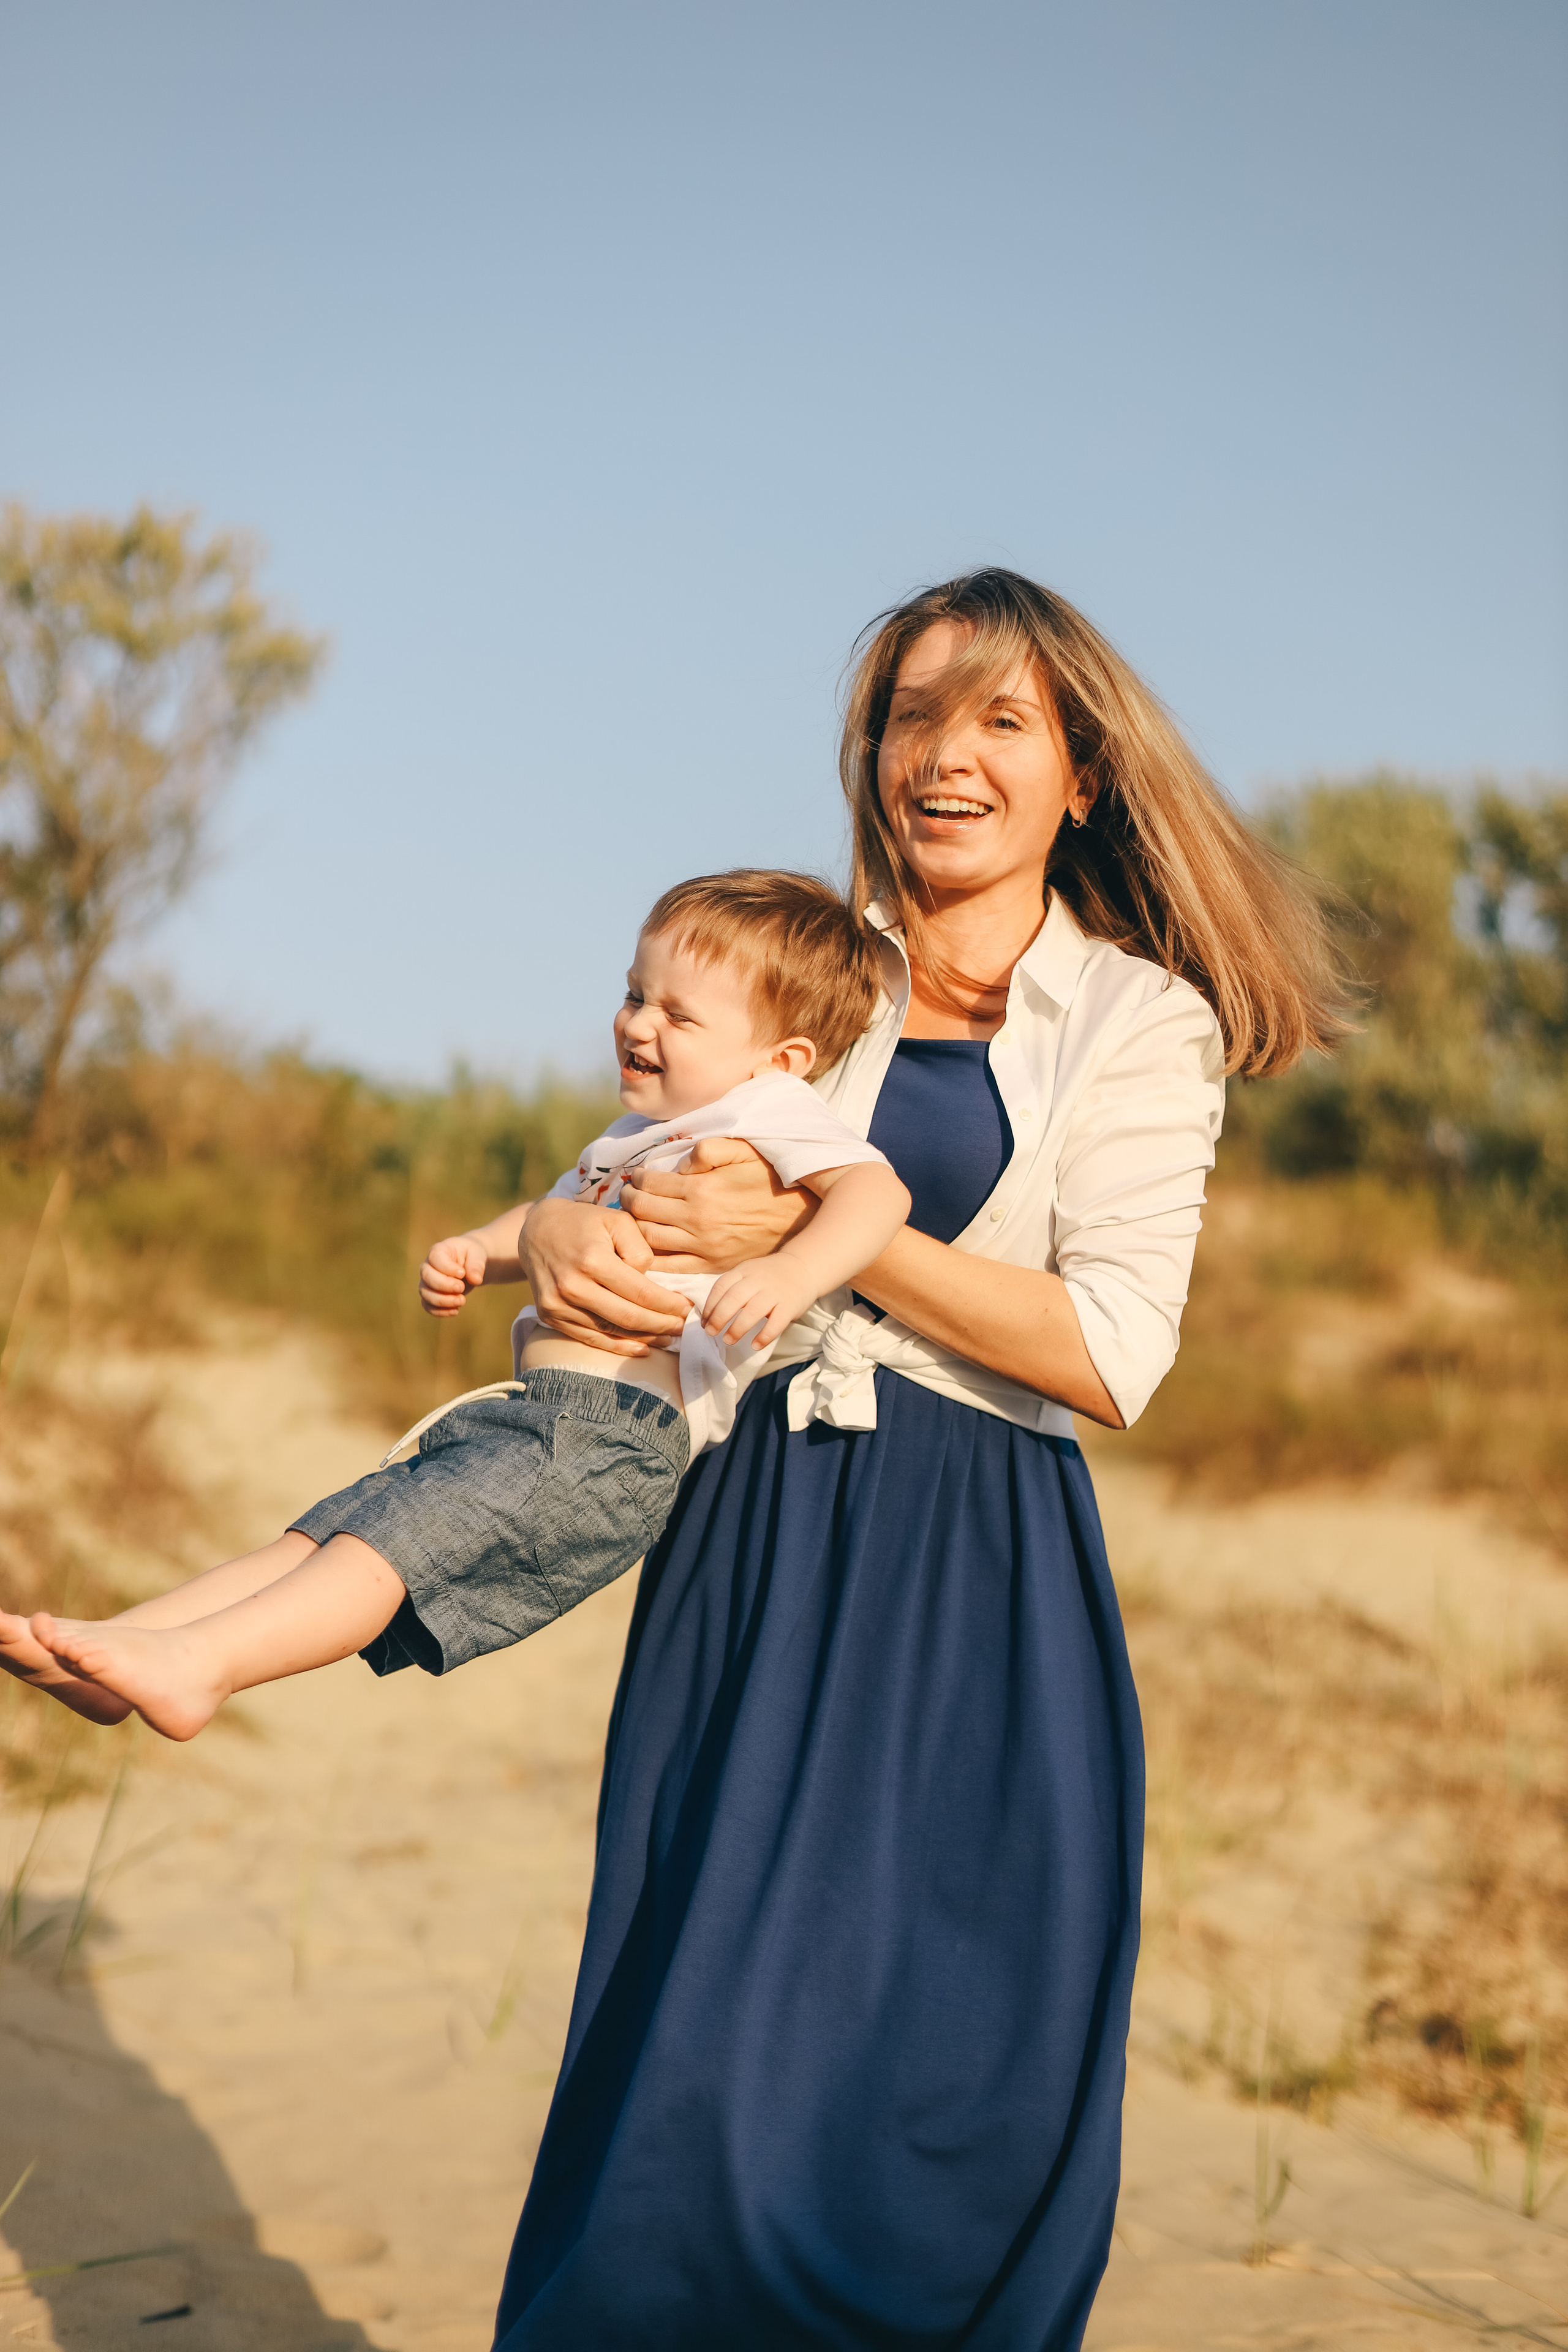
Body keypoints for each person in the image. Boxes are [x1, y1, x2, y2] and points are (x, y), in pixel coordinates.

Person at [480, 569, 1346, 2349]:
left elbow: (1112, 1355)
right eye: (911, 713)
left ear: (1082, 778)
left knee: (946, 2114)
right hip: (753, 1538)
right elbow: (628, 1223)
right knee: (691, 2079)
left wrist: (847, 1236)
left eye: (1001, 718)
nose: (944, 752)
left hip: (976, 1571)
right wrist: (567, 1247)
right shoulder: (794, 972)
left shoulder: (1134, 1022)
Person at [0, 873, 910, 1743]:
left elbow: (877, 1196)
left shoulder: (769, 1113)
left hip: (610, 1441)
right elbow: (545, 1217)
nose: (639, 1023)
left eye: (679, 1013)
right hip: (527, 1420)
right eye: (635, 994)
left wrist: (792, 1273)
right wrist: (482, 1248)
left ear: (781, 1059)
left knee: (384, 1552)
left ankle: (200, 1668)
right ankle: (114, 1654)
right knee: (325, 1535)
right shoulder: (633, 1140)